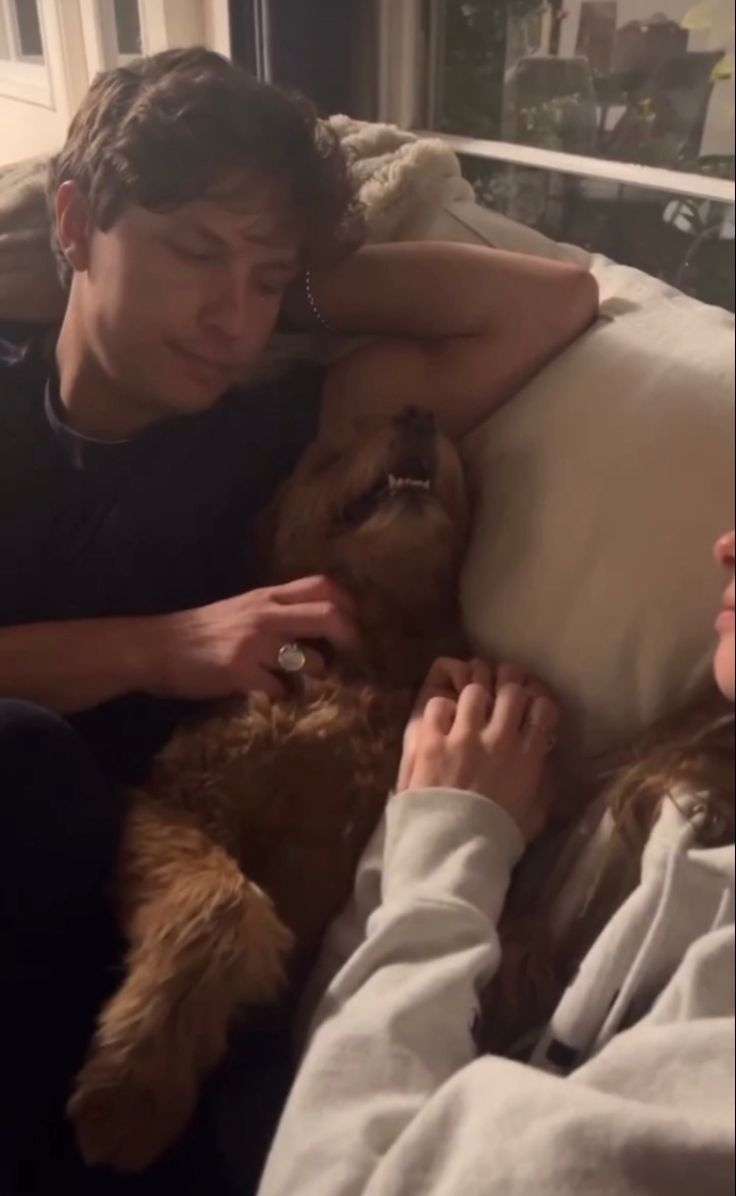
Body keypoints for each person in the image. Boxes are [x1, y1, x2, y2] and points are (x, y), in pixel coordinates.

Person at [0, 45, 597, 1195]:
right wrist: (156, 647)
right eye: (193, 253)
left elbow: (549, 300)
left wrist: (302, 289)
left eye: (262, 279)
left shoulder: (281, 433)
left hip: (157, 951)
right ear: (73, 224)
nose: (231, 316)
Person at [258, 529, 736, 1196]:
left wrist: (446, 849)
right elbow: (327, 1081)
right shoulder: (690, 794)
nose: (724, 546)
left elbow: (331, 1176)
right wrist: (422, 823)